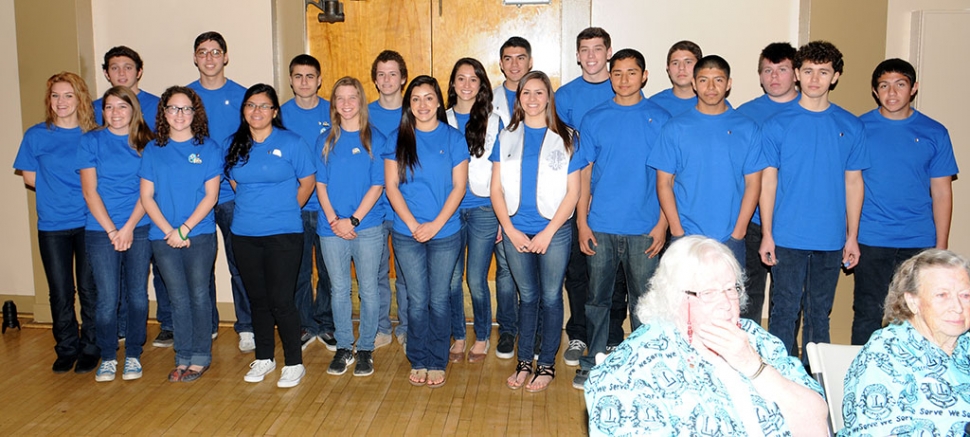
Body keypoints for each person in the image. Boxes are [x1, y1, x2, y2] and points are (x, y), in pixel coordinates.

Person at [585, 236, 828, 436]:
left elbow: (817, 419)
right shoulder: (641, 362)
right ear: (676, 297)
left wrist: (754, 366)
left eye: (731, 289)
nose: (726, 303)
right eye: (709, 292)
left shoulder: (757, 339)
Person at [760, 41, 869, 359]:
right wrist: (767, 233)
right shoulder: (777, 124)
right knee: (784, 312)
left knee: (819, 315)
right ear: (796, 74)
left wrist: (852, 236)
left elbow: (854, 182)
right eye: (808, 71)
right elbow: (768, 181)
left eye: (823, 72)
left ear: (835, 77)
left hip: (831, 238)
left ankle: (818, 385)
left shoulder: (850, 125)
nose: (815, 79)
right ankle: (779, 380)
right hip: (787, 236)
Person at [574, 49, 670, 390]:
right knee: (597, 298)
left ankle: (644, 363)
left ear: (644, 76)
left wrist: (662, 223)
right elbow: (584, 173)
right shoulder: (595, 117)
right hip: (600, 225)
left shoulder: (661, 118)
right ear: (610, 76)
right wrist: (582, 222)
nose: (624, 79)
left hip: (645, 229)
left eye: (632, 73)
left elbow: (667, 177)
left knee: (645, 300)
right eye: (617, 73)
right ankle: (592, 361)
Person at [852, 59, 958, 345]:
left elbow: (942, 192)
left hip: (919, 240)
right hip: (872, 238)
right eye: (884, 86)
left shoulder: (934, 132)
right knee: (867, 312)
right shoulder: (858, 128)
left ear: (913, 89)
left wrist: (940, 245)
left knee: (918, 314)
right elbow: (849, 184)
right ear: (875, 91)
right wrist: (850, 236)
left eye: (900, 84)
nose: (892, 92)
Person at [492, 71, 583, 393]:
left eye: (539, 93)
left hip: (553, 232)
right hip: (516, 229)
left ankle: (546, 364)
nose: (532, 99)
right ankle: (524, 361)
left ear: (548, 97)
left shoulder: (568, 136)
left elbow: (573, 193)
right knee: (526, 297)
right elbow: (496, 191)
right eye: (526, 93)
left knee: (549, 296)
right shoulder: (506, 137)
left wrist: (548, 233)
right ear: (519, 99)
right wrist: (509, 229)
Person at [225, 84, 315, 388]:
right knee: (258, 300)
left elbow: (307, 182)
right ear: (244, 110)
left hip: (285, 234)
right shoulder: (234, 144)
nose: (257, 111)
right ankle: (264, 357)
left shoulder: (292, 142)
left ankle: (294, 362)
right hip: (244, 234)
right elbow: (237, 184)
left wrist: (285, 208)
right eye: (251, 105)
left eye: (264, 106)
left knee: (281, 300)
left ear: (275, 111)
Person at [384, 75, 468, 388]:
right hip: (407, 232)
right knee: (416, 299)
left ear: (438, 102)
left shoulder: (453, 138)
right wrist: (413, 224)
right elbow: (391, 187)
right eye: (416, 99)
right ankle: (418, 358)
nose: (423, 105)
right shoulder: (397, 137)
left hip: (445, 231)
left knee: (440, 298)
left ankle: (437, 359)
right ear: (409, 104)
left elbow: (459, 187)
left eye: (429, 98)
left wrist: (434, 225)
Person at [13, 72, 100, 374]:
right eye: (55, 96)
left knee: (90, 289)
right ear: (48, 101)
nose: (61, 102)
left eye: (68, 95)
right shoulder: (36, 135)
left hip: (90, 223)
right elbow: (31, 177)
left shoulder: (93, 135)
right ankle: (66, 347)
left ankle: (91, 346)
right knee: (60, 291)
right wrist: (58, 193)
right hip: (52, 225)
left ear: (80, 99)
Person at [554, 27, 630, 368]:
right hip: (575, 198)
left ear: (608, 51)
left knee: (615, 275)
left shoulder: (625, 92)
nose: (591, 56)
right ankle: (580, 334)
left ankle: (613, 335)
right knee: (578, 271)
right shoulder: (565, 96)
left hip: (616, 200)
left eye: (597, 49)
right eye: (584, 50)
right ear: (577, 54)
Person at [650, 54, 765, 265]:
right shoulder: (675, 128)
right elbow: (664, 182)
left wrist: (738, 234)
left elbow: (753, 184)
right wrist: (677, 231)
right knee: (682, 298)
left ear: (728, 84)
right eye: (703, 80)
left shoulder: (748, 129)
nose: (711, 87)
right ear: (694, 84)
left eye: (718, 80)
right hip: (686, 238)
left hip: (730, 239)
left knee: (728, 298)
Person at [139, 86, 221, 382]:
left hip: (198, 234)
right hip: (162, 237)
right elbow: (147, 197)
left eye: (186, 108)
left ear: (195, 113)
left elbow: (211, 196)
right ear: (163, 113)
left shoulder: (208, 148)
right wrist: (168, 231)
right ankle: (182, 356)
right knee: (177, 298)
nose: (180, 114)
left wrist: (184, 230)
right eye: (173, 108)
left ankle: (200, 357)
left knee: (199, 296)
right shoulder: (152, 149)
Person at [841, 249, 970, 436]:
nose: (957, 307)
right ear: (912, 302)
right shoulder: (884, 356)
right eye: (942, 295)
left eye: (965, 295)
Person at [91, 46, 167, 348]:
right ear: (106, 73)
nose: (121, 72)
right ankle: (114, 338)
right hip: (102, 220)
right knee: (108, 290)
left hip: (145, 213)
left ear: (139, 70)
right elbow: (90, 181)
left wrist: (129, 225)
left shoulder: (157, 107)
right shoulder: (96, 112)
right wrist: (112, 228)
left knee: (147, 281)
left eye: (127, 66)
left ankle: (163, 327)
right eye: (114, 67)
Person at [78, 86, 154, 382]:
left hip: (139, 226)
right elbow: (89, 191)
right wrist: (112, 230)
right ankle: (108, 355)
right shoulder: (90, 141)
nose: (115, 113)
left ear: (133, 110)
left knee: (136, 295)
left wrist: (128, 228)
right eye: (109, 107)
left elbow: (148, 193)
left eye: (122, 107)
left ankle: (134, 352)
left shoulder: (147, 143)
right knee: (107, 298)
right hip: (100, 230)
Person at [316, 77, 386, 377]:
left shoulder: (376, 139)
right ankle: (345, 346)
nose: (346, 104)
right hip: (330, 228)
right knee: (339, 289)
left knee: (369, 290)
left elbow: (377, 185)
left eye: (352, 97)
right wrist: (335, 221)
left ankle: (366, 347)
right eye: (340, 98)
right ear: (333, 104)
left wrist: (353, 220)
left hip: (367, 227)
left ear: (361, 101)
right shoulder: (326, 140)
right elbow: (320, 184)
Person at [187, 31, 250, 350]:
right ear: (195, 58)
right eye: (203, 52)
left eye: (215, 52)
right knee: (199, 266)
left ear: (225, 57)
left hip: (231, 197)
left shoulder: (242, 96)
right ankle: (207, 323)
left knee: (240, 263)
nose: (209, 58)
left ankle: (247, 325)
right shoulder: (184, 98)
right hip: (193, 198)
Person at [736, 42, 800, 323]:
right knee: (748, 295)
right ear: (759, 75)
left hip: (795, 221)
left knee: (788, 298)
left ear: (796, 73)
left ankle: (784, 355)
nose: (774, 77)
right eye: (767, 70)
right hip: (752, 220)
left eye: (782, 70)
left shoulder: (811, 111)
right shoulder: (744, 115)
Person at [444, 58, 502, 363]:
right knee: (452, 279)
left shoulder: (495, 121)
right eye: (460, 79)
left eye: (473, 79)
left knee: (476, 279)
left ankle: (481, 336)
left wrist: (503, 217)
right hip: (449, 211)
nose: (466, 85)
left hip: (483, 209)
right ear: (452, 84)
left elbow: (501, 172)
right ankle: (458, 335)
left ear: (481, 85)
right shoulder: (439, 118)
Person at [279, 54, 336, 351]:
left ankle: (326, 324)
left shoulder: (334, 111)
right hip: (294, 207)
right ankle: (304, 324)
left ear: (319, 80)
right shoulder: (281, 115)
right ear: (290, 80)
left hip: (328, 207)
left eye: (310, 76)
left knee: (328, 270)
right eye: (298, 76)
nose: (304, 82)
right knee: (298, 270)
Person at [492, 36, 532, 359]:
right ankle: (507, 330)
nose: (515, 64)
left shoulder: (541, 97)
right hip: (499, 200)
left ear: (530, 62)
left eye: (521, 58)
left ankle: (534, 331)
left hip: (534, 205)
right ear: (501, 63)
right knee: (505, 271)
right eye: (509, 58)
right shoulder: (487, 100)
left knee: (535, 277)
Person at [368, 50, 410, 351]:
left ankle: (408, 327)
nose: (387, 79)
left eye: (392, 73)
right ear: (374, 79)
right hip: (372, 208)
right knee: (376, 272)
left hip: (407, 208)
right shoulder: (362, 114)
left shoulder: (417, 111)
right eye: (381, 74)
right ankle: (381, 326)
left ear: (403, 78)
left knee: (408, 274)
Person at [648, 40, 702, 116]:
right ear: (668, 68)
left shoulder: (712, 103)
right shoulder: (653, 104)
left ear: (699, 67)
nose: (681, 67)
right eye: (675, 63)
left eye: (688, 62)